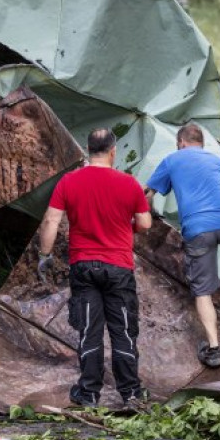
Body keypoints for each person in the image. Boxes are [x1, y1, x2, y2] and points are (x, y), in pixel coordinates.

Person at [37, 128, 152, 410]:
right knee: (123, 329)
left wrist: (45, 254)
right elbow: (146, 224)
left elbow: (51, 221)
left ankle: (88, 394)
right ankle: (131, 394)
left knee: (89, 328)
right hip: (118, 267)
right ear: (113, 151)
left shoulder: (69, 181)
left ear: (90, 150)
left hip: (83, 266)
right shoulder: (129, 183)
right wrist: (129, 225)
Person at [145, 123, 220, 368]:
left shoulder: (172, 159)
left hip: (197, 230)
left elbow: (147, 195)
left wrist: (152, 216)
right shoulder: (219, 162)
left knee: (202, 291)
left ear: (180, 143)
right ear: (202, 143)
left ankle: (213, 348)